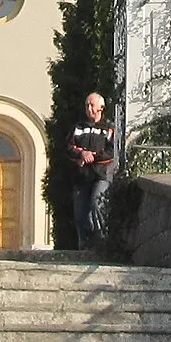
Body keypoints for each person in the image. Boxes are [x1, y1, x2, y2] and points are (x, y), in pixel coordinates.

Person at [68, 93, 116, 250]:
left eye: (92, 105)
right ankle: (85, 247)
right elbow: (69, 147)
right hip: (82, 177)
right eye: (87, 105)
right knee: (81, 214)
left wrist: (92, 156)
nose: (89, 109)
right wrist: (81, 154)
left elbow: (111, 152)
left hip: (101, 175)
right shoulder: (78, 128)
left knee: (97, 203)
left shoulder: (109, 128)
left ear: (101, 108)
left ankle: (103, 241)